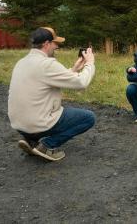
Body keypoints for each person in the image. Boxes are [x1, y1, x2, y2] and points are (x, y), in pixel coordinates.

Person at [8, 27, 96, 162]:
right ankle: (47, 145)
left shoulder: (22, 62)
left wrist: (74, 69)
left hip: (19, 124)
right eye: (55, 43)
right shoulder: (47, 64)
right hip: (37, 124)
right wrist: (90, 63)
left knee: (39, 112)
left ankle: (31, 140)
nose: (57, 46)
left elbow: (47, 79)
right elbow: (81, 82)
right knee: (88, 118)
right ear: (46, 44)